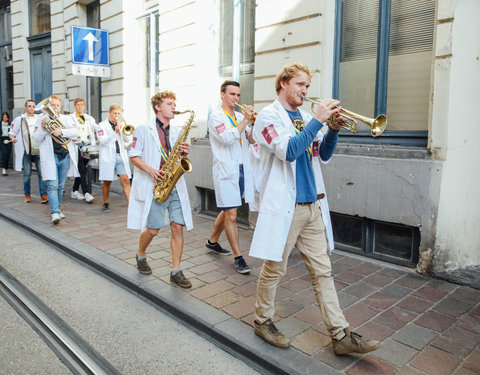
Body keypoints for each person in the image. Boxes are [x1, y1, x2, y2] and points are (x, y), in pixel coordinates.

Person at [250, 63, 380, 355]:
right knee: (275, 268)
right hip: (286, 207)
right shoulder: (267, 117)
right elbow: (289, 151)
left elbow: (322, 154)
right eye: (299, 84)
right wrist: (319, 120)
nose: (305, 91)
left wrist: (332, 129)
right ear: (283, 83)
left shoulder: (308, 117)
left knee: (323, 271)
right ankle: (262, 319)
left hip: (312, 206)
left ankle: (340, 334)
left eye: (307, 86)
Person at [127, 90, 193, 288]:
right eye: (169, 104)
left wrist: (184, 153)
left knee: (177, 227)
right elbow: (133, 155)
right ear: (158, 107)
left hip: (175, 184)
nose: (174, 107)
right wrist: (151, 170)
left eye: (174, 103)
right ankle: (140, 254)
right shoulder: (142, 129)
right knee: (154, 230)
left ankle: (176, 270)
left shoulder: (177, 131)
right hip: (156, 185)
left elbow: (178, 159)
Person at [206, 80, 255, 274]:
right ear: (222, 95)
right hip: (226, 170)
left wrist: (253, 123)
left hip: (243, 169)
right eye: (232, 94)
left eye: (238, 95)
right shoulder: (216, 117)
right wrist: (245, 122)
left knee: (229, 209)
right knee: (232, 214)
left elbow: (251, 139)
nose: (236, 98)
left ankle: (212, 241)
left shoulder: (241, 115)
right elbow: (227, 138)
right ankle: (238, 257)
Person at [33, 95, 79, 224]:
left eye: (57, 105)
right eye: (52, 105)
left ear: (60, 106)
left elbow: (76, 132)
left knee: (60, 185)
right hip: (50, 155)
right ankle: (54, 212)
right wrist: (43, 129)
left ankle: (58, 209)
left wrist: (62, 131)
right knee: (52, 185)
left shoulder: (66, 118)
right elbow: (36, 138)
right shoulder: (42, 119)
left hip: (64, 155)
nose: (54, 107)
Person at [8, 100, 47, 203]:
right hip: (26, 150)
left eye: (33, 106)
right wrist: (12, 138)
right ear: (25, 107)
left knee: (41, 173)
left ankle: (43, 195)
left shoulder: (39, 118)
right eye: (29, 106)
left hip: (38, 149)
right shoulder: (19, 119)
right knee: (27, 174)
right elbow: (12, 132)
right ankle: (27, 194)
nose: (31, 107)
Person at [96, 104, 131, 212]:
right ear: (110, 113)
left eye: (118, 113)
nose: (117, 115)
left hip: (120, 155)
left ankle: (131, 205)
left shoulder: (120, 125)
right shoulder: (101, 125)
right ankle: (106, 203)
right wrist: (114, 132)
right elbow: (103, 141)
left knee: (125, 180)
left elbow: (127, 139)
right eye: (115, 113)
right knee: (107, 181)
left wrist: (122, 131)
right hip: (108, 156)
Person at [68, 98, 96, 203]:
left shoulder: (88, 118)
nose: (80, 106)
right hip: (76, 146)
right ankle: (86, 192)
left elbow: (95, 128)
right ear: (75, 106)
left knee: (81, 169)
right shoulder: (70, 118)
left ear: (84, 106)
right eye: (78, 105)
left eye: (82, 105)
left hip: (87, 146)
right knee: (81, 169)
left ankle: (75, 190)